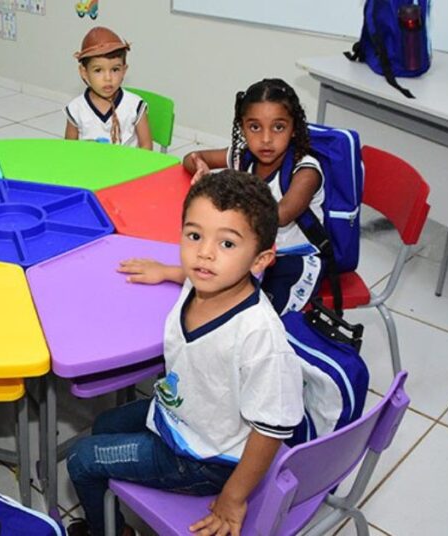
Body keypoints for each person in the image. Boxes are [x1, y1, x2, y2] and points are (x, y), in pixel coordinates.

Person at [66, 171, 337, 536]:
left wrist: (234, 496)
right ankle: (115, 518)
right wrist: (166, 271)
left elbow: (272, 430)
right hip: (183, 415)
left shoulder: (260, 338)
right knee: (103, 425)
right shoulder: (204, 279)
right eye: (194, 236)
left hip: (206, 459)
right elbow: (195, 273)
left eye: (227, 244)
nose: (205, 253)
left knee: (81, 459)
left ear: (261, 260)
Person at [124, 79, 325, 314]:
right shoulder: (244, 156)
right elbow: (192, 156)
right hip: (249, 250)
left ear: (294, 129)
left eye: (278, 127)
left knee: (246, 311)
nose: (266, 139)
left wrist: (221, 188)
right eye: (255, 127)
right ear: (242, 127)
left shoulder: (306, 170)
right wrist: (200, 166)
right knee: (210, 275)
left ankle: (171, 275)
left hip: (290, 258)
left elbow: (277, 217)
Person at [64, 26, 153, 149]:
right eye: (98, 70)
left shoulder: (135, 106)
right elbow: (69, 150)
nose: (108, 78)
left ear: (124, 70)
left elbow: (146, 146)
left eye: (115, 69)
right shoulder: (76, 109)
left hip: (129, 167)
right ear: (84, 72)